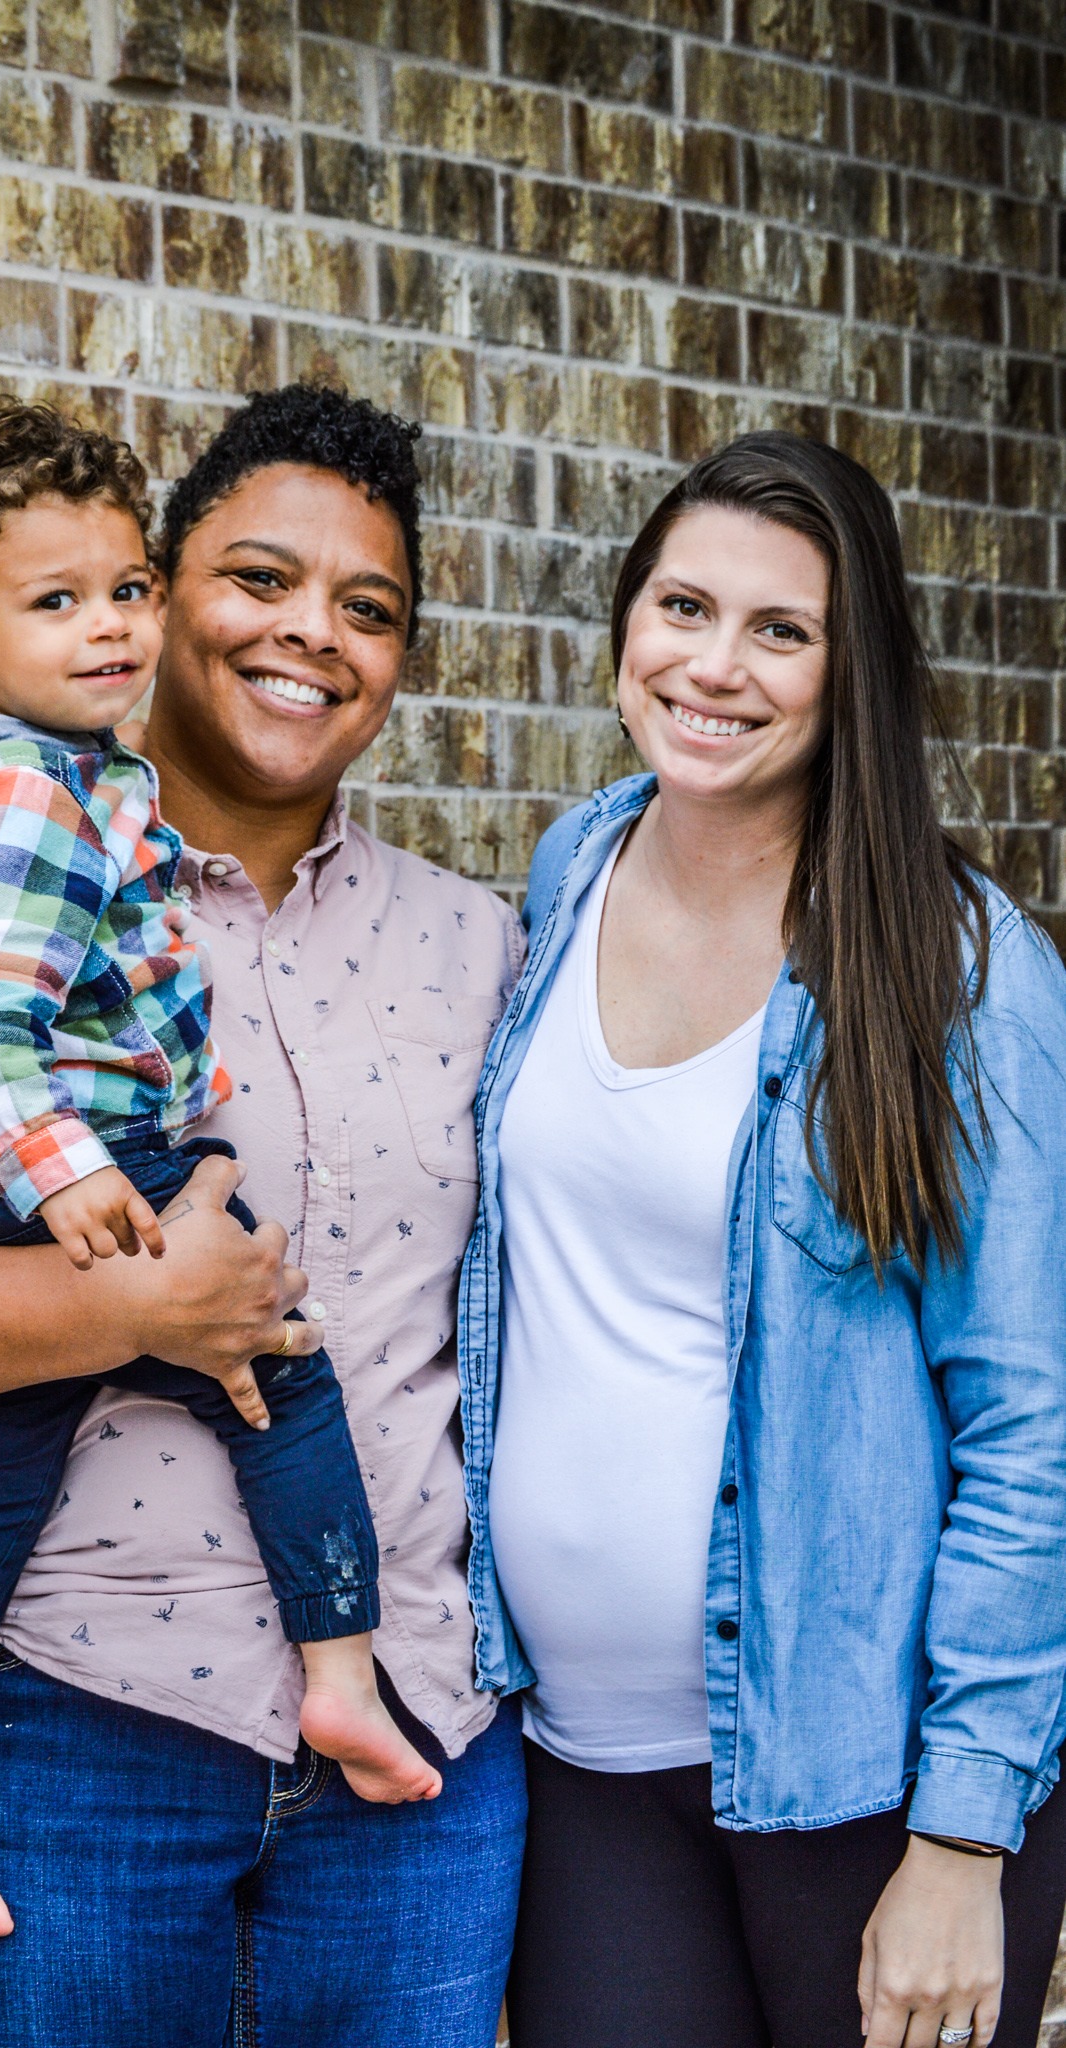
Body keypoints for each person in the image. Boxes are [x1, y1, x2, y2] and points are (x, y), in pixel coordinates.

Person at [0, 383, 527, 2048]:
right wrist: (132, 1309)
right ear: (164, 593)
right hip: (43, 1731)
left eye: (368, 609)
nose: (309, 634)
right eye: (255, 578)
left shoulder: (481, 947)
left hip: (411, 1751)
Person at [458, 432, 1066, 2048]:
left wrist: (961, 1840)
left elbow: (1030, 1424)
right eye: (681, 606)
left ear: (847, 668)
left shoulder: (962, 972)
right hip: (583, 1768)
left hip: (859, 1792)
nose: (711, 667)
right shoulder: (571, 864)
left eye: (777, 631)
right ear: (623, 622)